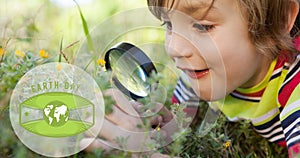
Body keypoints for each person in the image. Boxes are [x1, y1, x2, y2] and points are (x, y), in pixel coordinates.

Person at [83, 0, 300, 157]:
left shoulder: (295, 82)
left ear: (280, 21)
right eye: (168, 24)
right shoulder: (198, 72)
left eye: (202, 26)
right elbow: (181, 133)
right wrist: (162, 133)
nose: (174, 48)